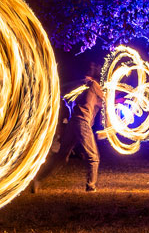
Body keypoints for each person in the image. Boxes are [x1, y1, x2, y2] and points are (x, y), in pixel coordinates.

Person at [32, 62, 104, 193]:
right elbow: (107, 101)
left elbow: (104, 103)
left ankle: (38, 179)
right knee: (94, 157)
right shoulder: (94, 86)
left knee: (62, 156)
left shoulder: (88, 87)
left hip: (74, 122)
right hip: (82, 123)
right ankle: (91, 187)